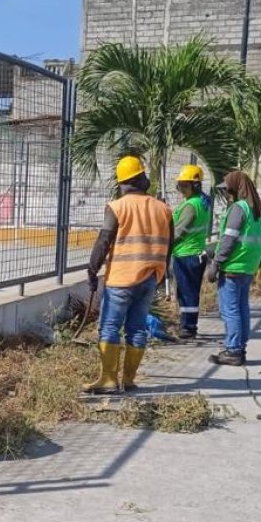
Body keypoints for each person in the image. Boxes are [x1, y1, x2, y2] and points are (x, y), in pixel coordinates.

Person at [83, 156, 174, 393]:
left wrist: (93, 269)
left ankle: (109, 380)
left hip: (122, 279)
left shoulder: (117, 207)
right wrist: (162, 275)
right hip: (150, 278)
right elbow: (169, 245)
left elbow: (104, 240)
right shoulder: (163, 209)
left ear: (124, 183)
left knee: (110, 327)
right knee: (137, 328)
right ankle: (129, 380)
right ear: (142, 179)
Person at [205, 171, 261, 366]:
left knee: (230, 310)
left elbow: (228, 239)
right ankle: (239, 347)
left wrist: (216, 263)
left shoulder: (238, 209)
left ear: (235, 188)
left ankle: (233, 351)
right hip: (248, 266)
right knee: (241, 308)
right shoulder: (256, 209)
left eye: (228, 190)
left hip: (233, 266)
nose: (226, 194)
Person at [171, 164, 213, 339]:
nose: (181, 188)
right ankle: (189, 325)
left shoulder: (191, 205)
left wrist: (161, 243)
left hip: (186, 254)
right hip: (195, 254)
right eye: (179, 185)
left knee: (186, 292)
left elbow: (178, 231)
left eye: (184, 185)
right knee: (190, 292)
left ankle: (188, 327)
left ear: (195, 185)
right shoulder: (203, 202)